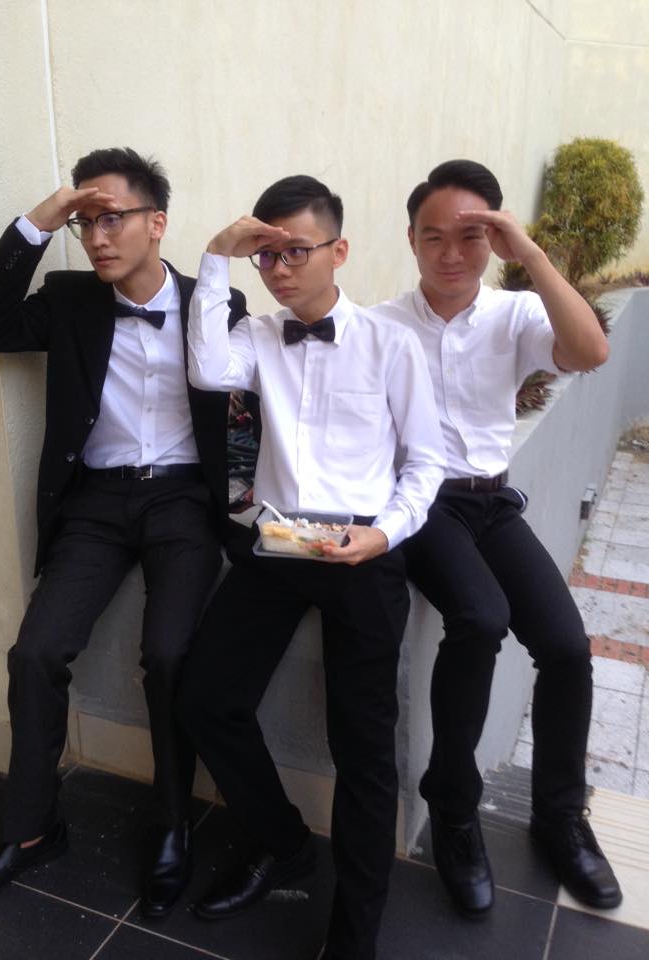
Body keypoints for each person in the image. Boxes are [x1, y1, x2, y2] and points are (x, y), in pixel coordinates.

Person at [0, 147, 246, 917]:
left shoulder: (216, 305)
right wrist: (46, 217)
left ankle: (172, 823)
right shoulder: (71, 299)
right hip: (97, 504)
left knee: (169, 655)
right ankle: (32, 830)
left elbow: (250, 413)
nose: (98, 237)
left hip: (183, 503)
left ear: (156, 223)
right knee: (35, 653)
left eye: (113, 219)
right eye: (87, 224)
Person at [177, 175, 446, 960]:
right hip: (281, 540)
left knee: (362, 749)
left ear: (340, 250)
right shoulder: (257, 335)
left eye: (297, 251)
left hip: (362, 550)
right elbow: (207, 370)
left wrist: (385, 534)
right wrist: (216, 256)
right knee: (206, 697)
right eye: (268, 255)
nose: (281, 268)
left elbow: (425, 462)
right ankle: (286, 844)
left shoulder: (392, 344)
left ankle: (353, 938)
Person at [374, 159, 621, 919]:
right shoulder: (380, 325)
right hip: (424, 504)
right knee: (480, 618)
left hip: (491, 504)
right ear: (411, 240)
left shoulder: (515, 313)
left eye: (472, 237)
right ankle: (453, 811)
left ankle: (559, 815)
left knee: (567, 647)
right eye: (434, 237)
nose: (452, 254)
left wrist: (532, 255)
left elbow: (590, 352)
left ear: (496, 239)